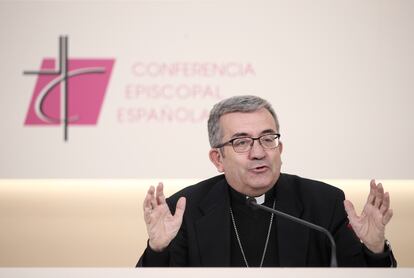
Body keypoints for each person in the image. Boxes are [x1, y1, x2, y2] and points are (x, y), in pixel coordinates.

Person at [137, 95, 396, 267]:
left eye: (267, 138)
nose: (259, 152)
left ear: (279, 149)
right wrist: (158, 250)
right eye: (241, 142)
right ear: (218, 159)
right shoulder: (186, 209)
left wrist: (375, 249)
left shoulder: (324, 204)